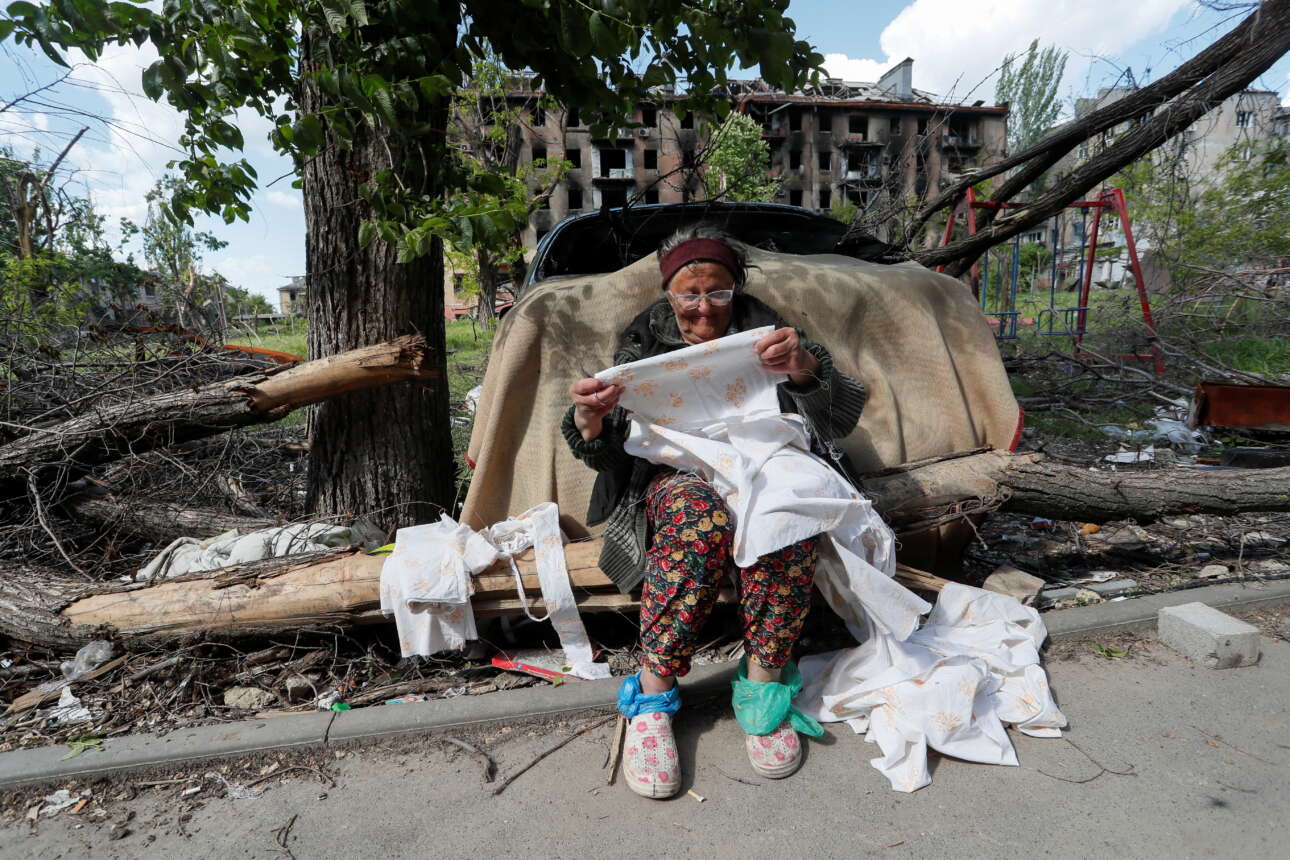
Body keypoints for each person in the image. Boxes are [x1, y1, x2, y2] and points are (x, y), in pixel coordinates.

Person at [562, 224, 869, 798]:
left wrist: (802, 366)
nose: (704, 309)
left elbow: (840, 417)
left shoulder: (770, 333)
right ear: (668, 293)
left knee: (784, 518)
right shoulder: (642, 345)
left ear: (737, 287)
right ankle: (652, 699)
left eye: (718, 293)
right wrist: (589, 420)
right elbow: (605, 452)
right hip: (677, 473)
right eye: (690, 296)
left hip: (765, 460)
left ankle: (763, 690)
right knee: (697, 523)